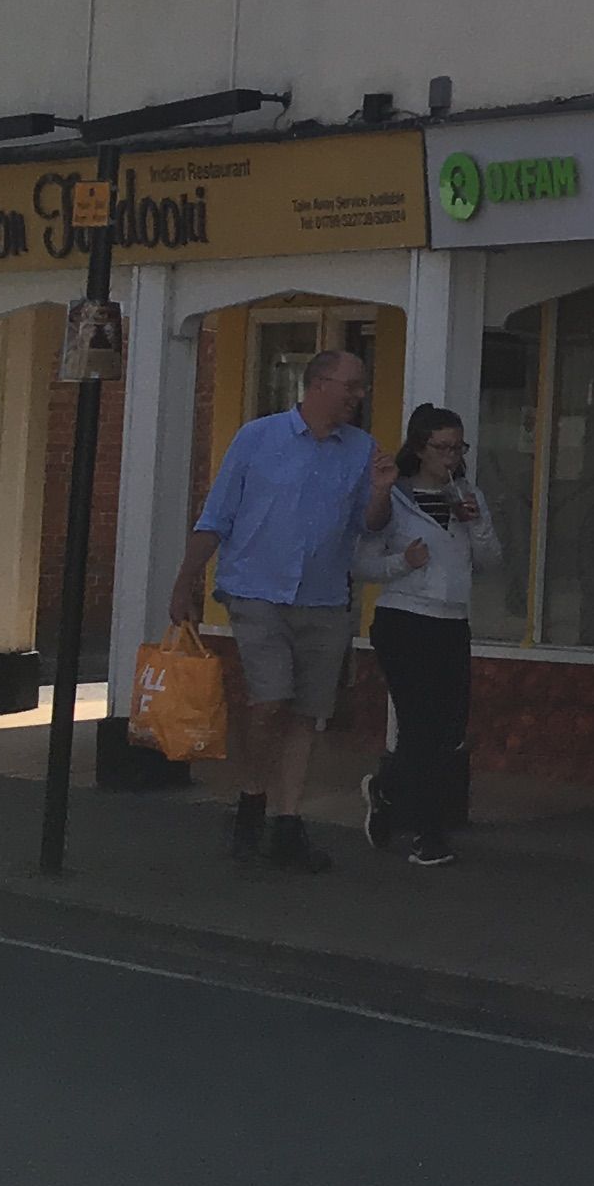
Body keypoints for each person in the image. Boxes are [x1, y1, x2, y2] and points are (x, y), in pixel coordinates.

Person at [166, 349, 394, 875]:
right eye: (350, 385)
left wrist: (381, 491)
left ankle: (287, 822)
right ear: (317, 385)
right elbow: (216, 515)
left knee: (306, 713)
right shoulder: (258, 438)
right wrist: (185, 583)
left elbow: (371, 526)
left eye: (361, 386)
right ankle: (251, 798)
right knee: (270, 700)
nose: (358, 395)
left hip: (323, 598)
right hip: (257, 591)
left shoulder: (360, 450)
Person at [352, 405, 496, 868]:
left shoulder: (467, 495)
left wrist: (475, 523)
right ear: (419, 448)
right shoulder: (394, 499)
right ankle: (427, 835)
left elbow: (491, 560)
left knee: (449, 727)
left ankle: (387, 790)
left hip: (451, 621)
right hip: (405, 619)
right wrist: (402, 564)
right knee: (419, 724)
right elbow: (362, 562)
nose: (451, 457)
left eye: (459, 448)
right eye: (442, 448)